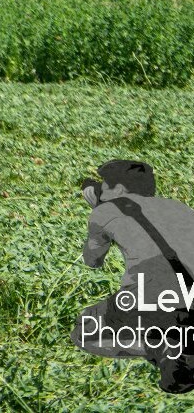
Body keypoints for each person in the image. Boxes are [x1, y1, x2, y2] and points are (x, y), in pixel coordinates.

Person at [76, 159, 194, 393]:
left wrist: (98, 210)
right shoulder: (179, 206)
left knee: (85, 327)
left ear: (118, 189)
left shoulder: (104, 211)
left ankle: (162, 346)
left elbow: (92, 260)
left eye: (106, 185)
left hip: (155, 301)